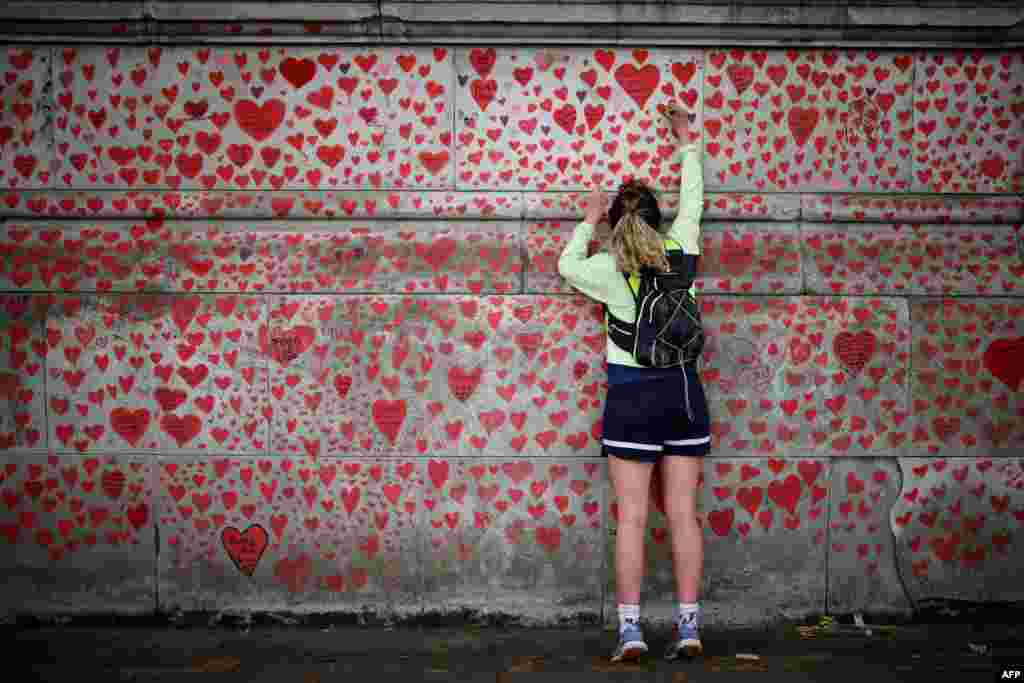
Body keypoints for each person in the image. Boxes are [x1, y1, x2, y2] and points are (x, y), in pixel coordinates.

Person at [557, 101, 710, 663]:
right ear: (658, 217)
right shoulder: (683, 250)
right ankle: (690, 626)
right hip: (685, 392)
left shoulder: (606, 267)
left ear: (618, 220)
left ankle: (630, 632)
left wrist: (588, 221)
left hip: (630, 394)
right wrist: (686, 141)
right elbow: (694, 200)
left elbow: (567, 266)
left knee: (632, 518)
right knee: (684, 514)